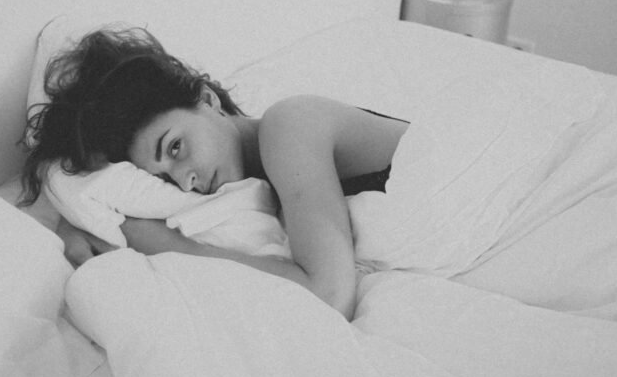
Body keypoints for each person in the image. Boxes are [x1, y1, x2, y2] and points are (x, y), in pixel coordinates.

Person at [20, 27, 409, 320]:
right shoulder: (254, 195)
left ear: (207, 99)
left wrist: (167, 244)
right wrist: (78, 220)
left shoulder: (289, 126)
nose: (186, 180)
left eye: (175, 147)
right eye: (164, 179)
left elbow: (330, 297)